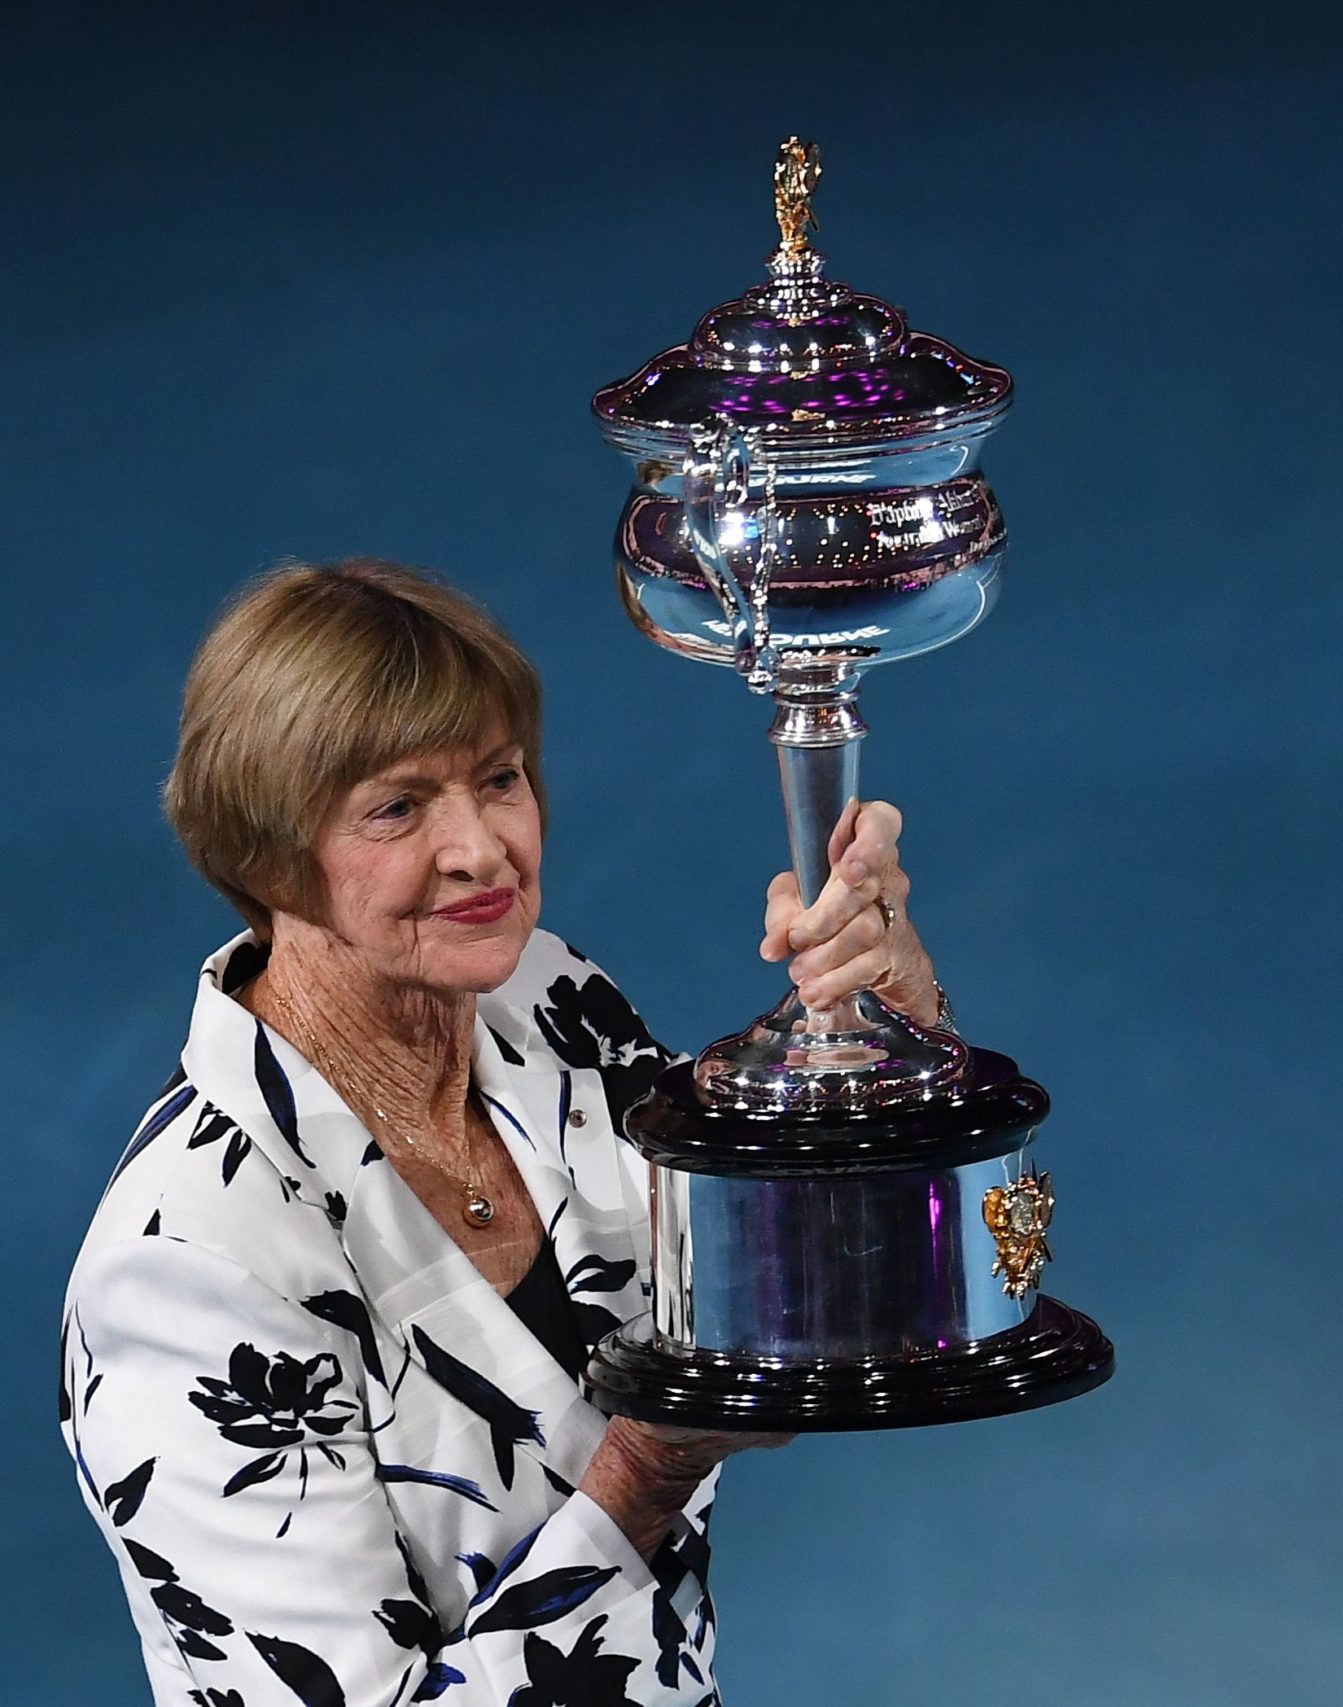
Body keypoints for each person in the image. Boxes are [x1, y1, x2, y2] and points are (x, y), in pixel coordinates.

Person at [60, 559, 941, 1706]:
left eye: (499, 778)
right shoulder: (187, 1262)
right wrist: (641, 1472)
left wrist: (884, 1020)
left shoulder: (549, 1007)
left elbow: (821, 1278)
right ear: (266, 852)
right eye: (397, 807)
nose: (483, 849)